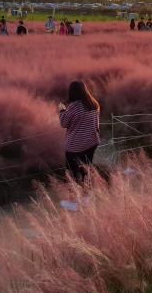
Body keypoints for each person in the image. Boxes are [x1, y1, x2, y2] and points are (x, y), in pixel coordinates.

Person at [58, 80, 100, 210]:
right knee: (85, 170)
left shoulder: (74, 106)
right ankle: (86, 198)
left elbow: (64, 123)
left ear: (72, 93)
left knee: (72, 174)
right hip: (92, 143)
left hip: (75, 147)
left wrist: (62, 111)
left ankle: (73, 203)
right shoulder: (93, 104)